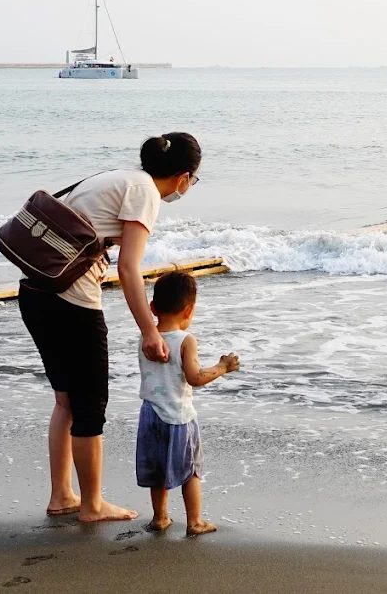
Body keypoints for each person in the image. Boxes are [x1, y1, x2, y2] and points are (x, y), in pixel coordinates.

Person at [19, 132, 201, 523]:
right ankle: (92, 505)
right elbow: (129, 268)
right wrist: (150, 330)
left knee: (65, 402)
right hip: (72, 304)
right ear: (184, 177)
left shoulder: (118, 177)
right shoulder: (145, 193)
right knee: (89, 408)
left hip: (35, 293)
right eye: (193, 181)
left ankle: (62, 496)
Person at [136, 269, 239, 536]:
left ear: (152, 307)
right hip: (179, 417)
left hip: (150, 414)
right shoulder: (186, 340)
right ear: (189, 309)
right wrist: (222, 367)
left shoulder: (147, 338)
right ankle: (194, 522)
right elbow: (195, 377)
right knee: (191, 471)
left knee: (158, 471)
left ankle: (160, 518)